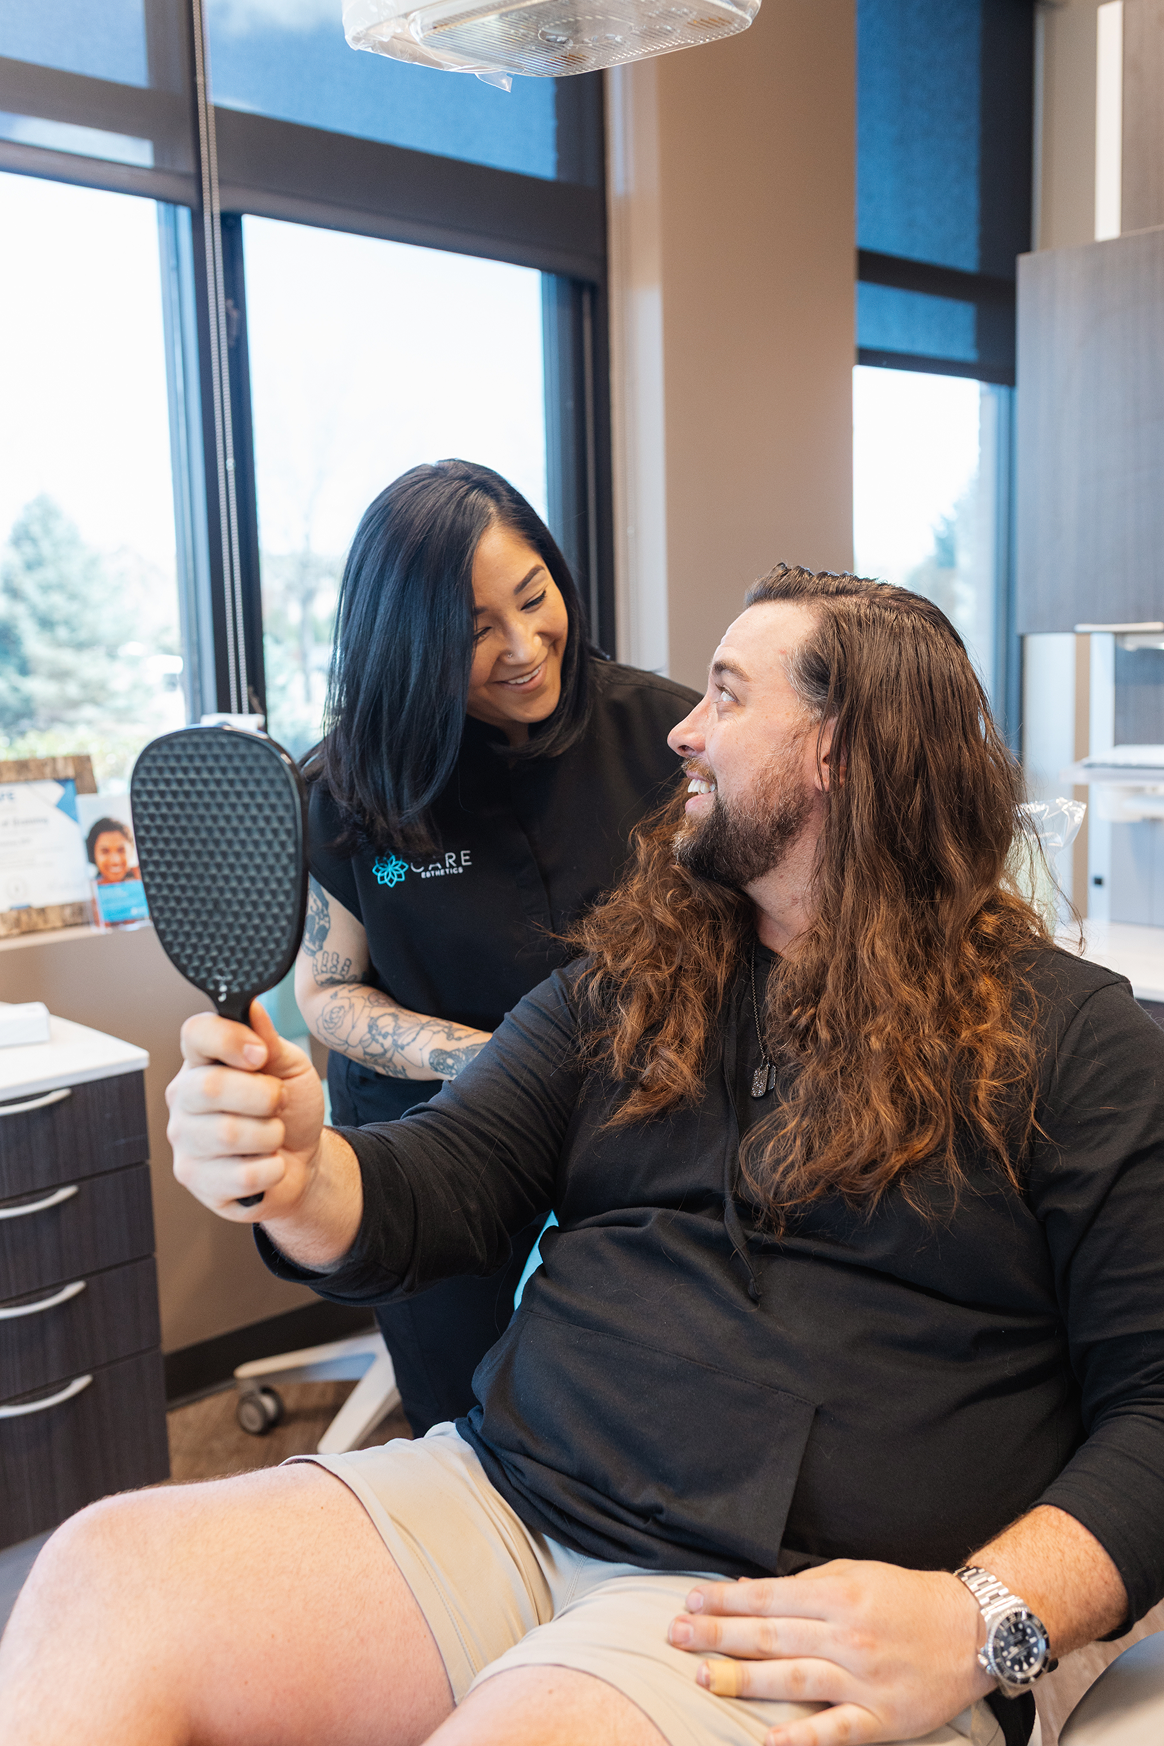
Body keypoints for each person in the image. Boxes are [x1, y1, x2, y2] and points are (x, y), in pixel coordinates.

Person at [5, 566, 1164, 1746]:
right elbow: (439, 1182)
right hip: (513, 1495)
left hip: (794, 1598)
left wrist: (985, 1623)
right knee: (100, 1578)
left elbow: (1158, 1408)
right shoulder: (633, 979)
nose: (681, 730)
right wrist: (302, 1174)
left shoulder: (1074, 1042)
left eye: (725, 696)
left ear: (841, 753)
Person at [294, 459, 699, 1435]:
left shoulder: (663, 735)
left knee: (643, 1396)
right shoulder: (354, 788)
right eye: (476, 630)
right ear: (409, 643)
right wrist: (495, 1067)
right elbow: (331, 993)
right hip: (432, 1131)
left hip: (634, 1118)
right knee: (460, 1417)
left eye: (534, 598)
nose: (524, 647)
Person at [85, 817, 139, 883]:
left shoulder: (139, 880)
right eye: (105, 851)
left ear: (131, 851)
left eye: (121, 850)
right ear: (93, 854)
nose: (115, 861)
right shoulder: (87, 889)